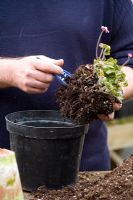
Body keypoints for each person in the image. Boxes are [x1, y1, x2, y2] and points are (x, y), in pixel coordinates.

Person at [0, 0, 133, 171]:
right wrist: (9, 71)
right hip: (5, 166)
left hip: (83, 165)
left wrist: (108, 89)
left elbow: (129, 61)